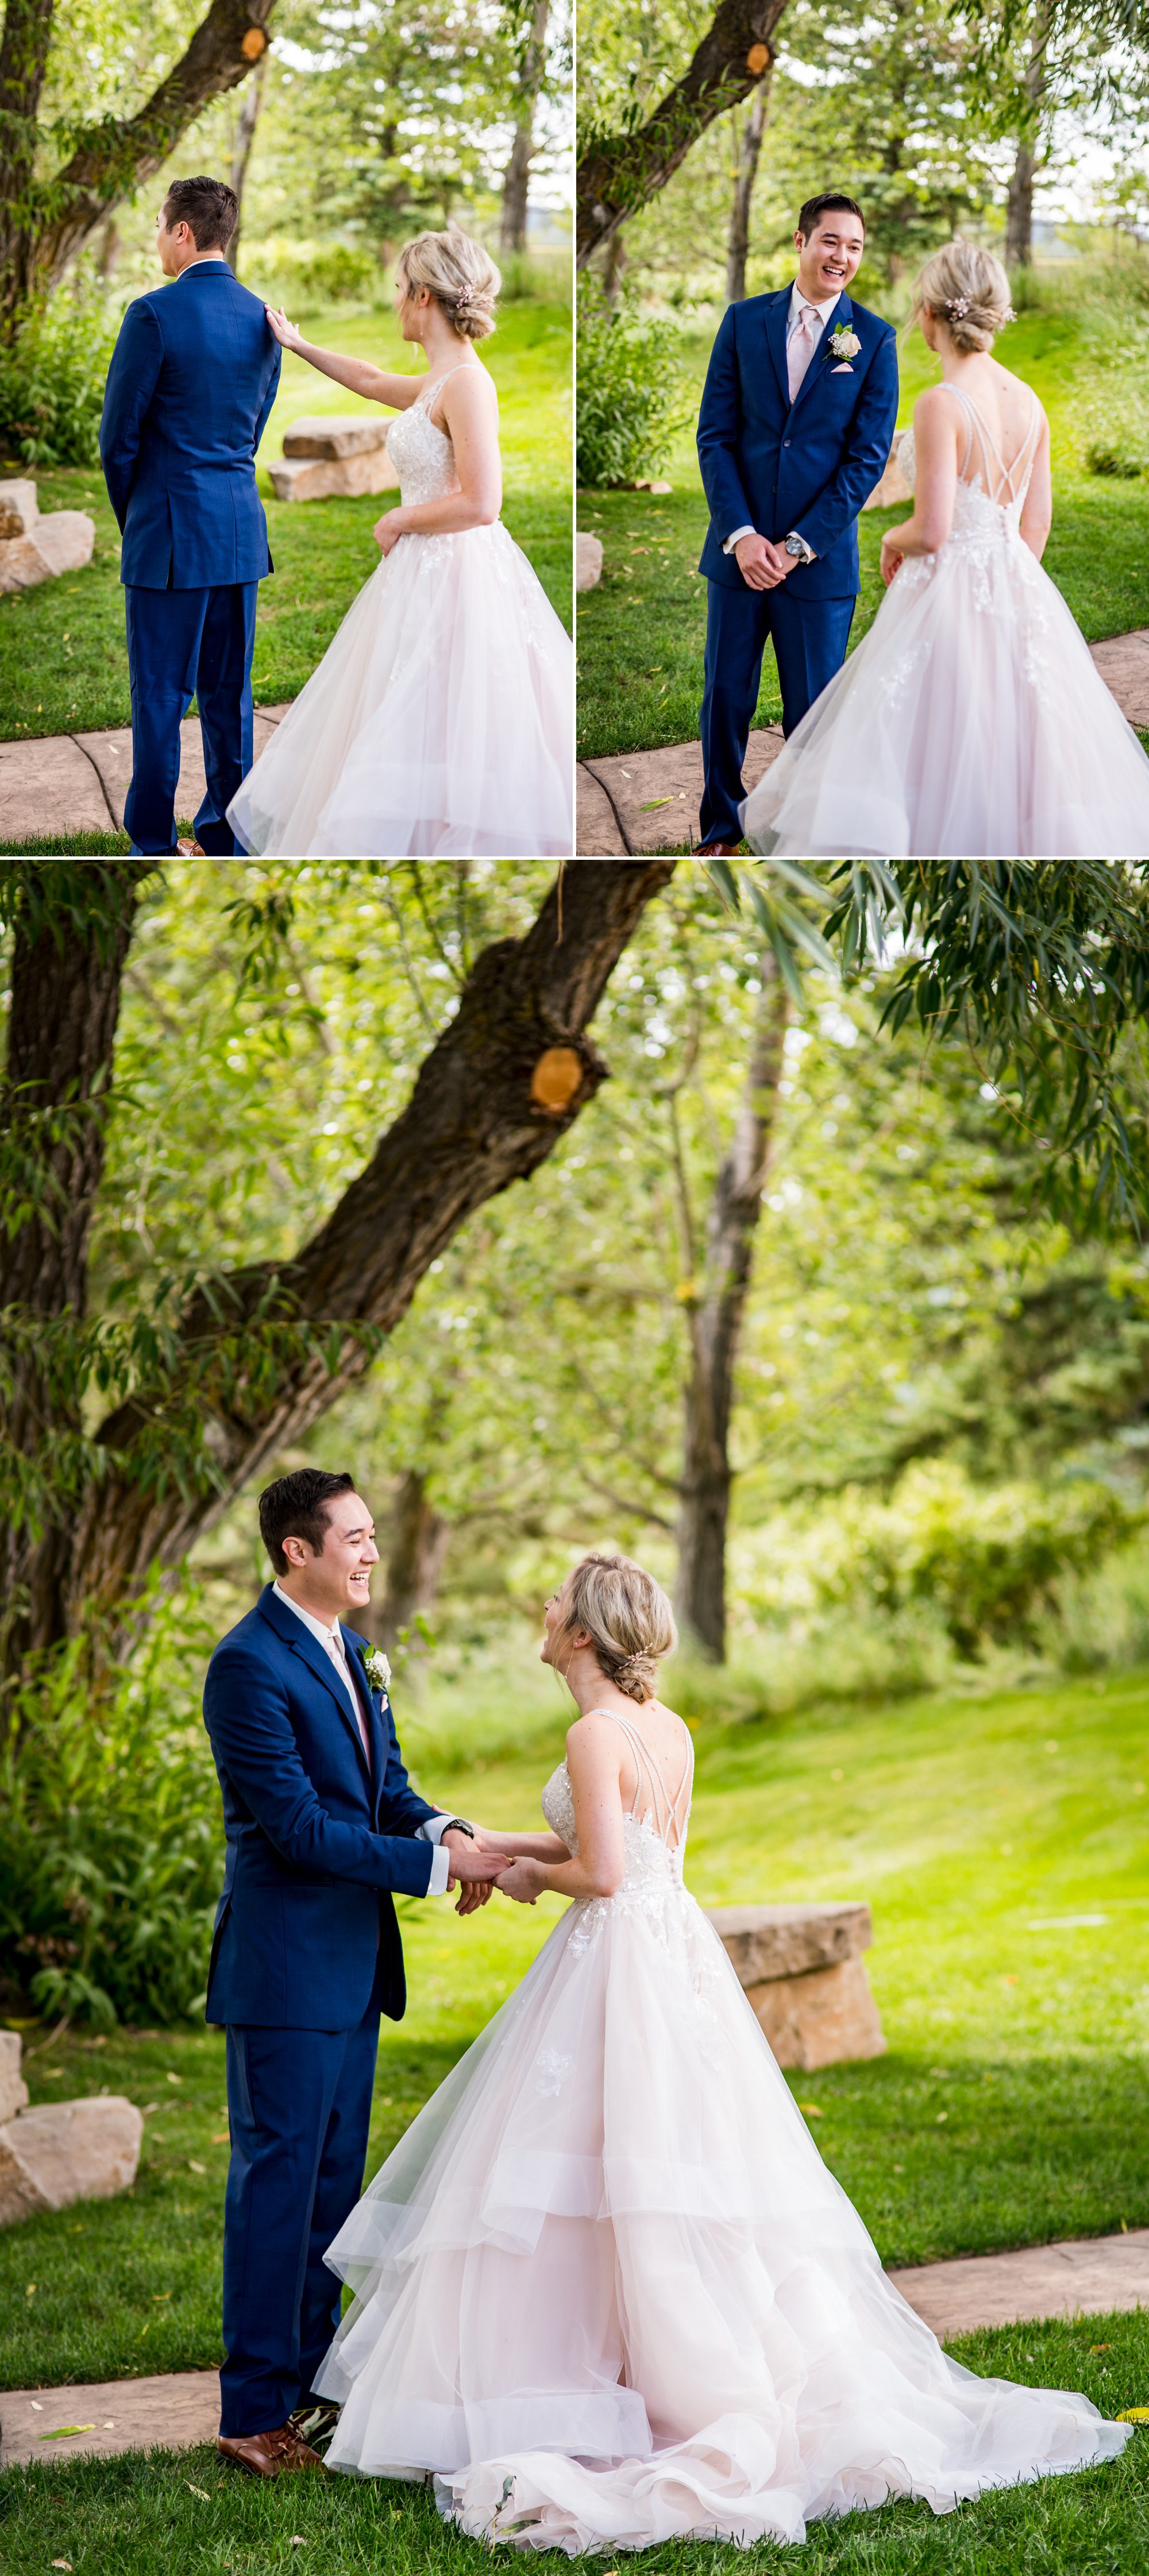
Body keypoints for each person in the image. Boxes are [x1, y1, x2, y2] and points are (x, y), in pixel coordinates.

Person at [312, 1550, 1129, 2550]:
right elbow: (630, 1848)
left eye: (556, 1598)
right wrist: (489, 1846)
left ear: (582, 1634)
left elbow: (606, 1874)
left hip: (616, 1960)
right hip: (672, 1961)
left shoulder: (589, 1731)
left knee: (590, 2173)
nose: (543, 1604)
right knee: (664, 2168)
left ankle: (614, 2383)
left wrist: (526, 1883)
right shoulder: (662, 1727)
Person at [202, 1469, 510, 2479]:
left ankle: (309, 2395)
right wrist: (439, 1871)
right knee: (277, 2189)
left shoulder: (358, 1653)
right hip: (286, 1972)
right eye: (356, 1539)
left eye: (373, 1536)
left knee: (331, 2191)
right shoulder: (248, 1666)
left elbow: (383, 1790)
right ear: (298, 1550)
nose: (372, 1553)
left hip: (352, 1968)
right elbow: (295, 1831)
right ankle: (252, 2416)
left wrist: (446, 1830)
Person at [741, 239, 1149, 856]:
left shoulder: (940, 404)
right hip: (1015, 588)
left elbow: (931, 529)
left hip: (946, 592)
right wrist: (1003, 585)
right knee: (1017, 738)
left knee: (928, 733)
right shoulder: (1029, 403)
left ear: (930, 314)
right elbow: (1033, 527)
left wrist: (888, 536)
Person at [227, 226, 573, 858]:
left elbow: (481, 502)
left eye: (396, 288)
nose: (393, 301)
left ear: (421, 297)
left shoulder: (467, 384)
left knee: (444, 709)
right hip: (420, 572)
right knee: (407, 709)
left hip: (457, 573)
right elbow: (367, 379)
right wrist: (299, 344)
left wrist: (397, 521)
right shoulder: (440, 378)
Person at [695, 193, 898, 856]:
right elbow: (715, 436)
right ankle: (722, 828)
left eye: (854, 247)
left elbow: (865, 459)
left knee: (810, 713)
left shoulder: (873, 340)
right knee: (726, 699)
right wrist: (741, 535)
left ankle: (801, 833)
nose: (841, 257)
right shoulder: (742, 321)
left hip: (817, 564)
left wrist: (797, 545)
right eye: (830, 242)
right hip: (737, 553)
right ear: (800, 242)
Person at [99, 176, 282, 858]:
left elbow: (117, 440)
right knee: (229, 695)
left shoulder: (153, 315)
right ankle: (223, 837)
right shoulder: (266, 318)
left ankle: (152, 840)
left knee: (159, 695)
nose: (156, 237)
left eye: (158, 225)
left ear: (182, 232)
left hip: (169, 537)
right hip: (238, 533)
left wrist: (138, 516)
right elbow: (251, 432)